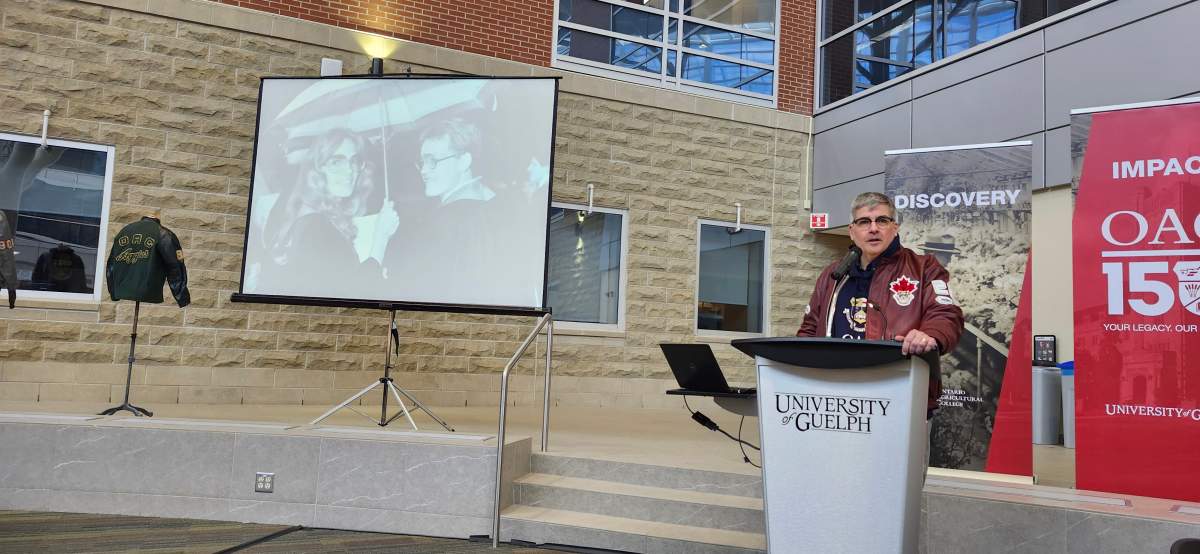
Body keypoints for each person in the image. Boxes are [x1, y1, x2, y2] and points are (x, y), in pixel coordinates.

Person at [798, 192, 965, 420]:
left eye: (882, 220)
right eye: (864, 221)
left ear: (894, 227)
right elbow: (809, 331)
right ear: (852, 230)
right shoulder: (832, 275)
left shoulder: (924, 268)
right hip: (834, 399)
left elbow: (946, 314)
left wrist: (929, 335)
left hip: (899, 396)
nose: (873, 228)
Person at [256, 128, 398, 293]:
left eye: (354, 161)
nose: (350, 170)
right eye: (337, 162)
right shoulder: (315, 226)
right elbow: (353, 294)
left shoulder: (309, 212)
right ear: (317, 169)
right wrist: (381, 239)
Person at [415, 117, 494, 205]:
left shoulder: (455, 212)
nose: (423, 171)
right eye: (422, 162)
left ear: (464, 161)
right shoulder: (486, 196)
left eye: (432, 160)